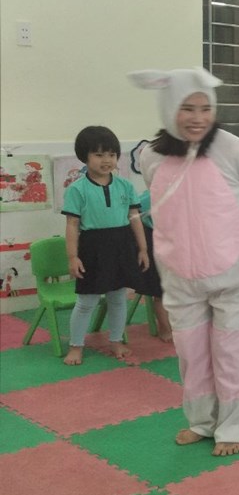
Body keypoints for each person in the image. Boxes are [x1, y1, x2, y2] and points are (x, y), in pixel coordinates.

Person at [130, 67, 239, 456]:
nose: (197, 118)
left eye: (205, 108)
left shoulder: (235, 150)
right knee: (192, 355)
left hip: (237, 274)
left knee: (234, 352)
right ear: (168, 109)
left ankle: (236, 425)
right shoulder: (152, 156)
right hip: (180, 277)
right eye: (187, 108)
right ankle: (202, 421)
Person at [61, 126, 149, 365]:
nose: (106, 160)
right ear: (85, 157)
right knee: (86, 301)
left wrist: (143, 249)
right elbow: (72, 225)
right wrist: (72, 257)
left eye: (111, 154)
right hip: (92, 248)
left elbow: (134, 219)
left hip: (122, 245)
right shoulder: (77, 189)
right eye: (99, 155)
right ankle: (76, 345)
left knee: (118, 298)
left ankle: (116, 340)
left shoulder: (126, 186)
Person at [135, 190, 174, 342]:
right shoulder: (150, 196)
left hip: (176, 243)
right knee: (160, 291)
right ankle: (165, 328)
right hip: (154, 242)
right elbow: (134, 212)